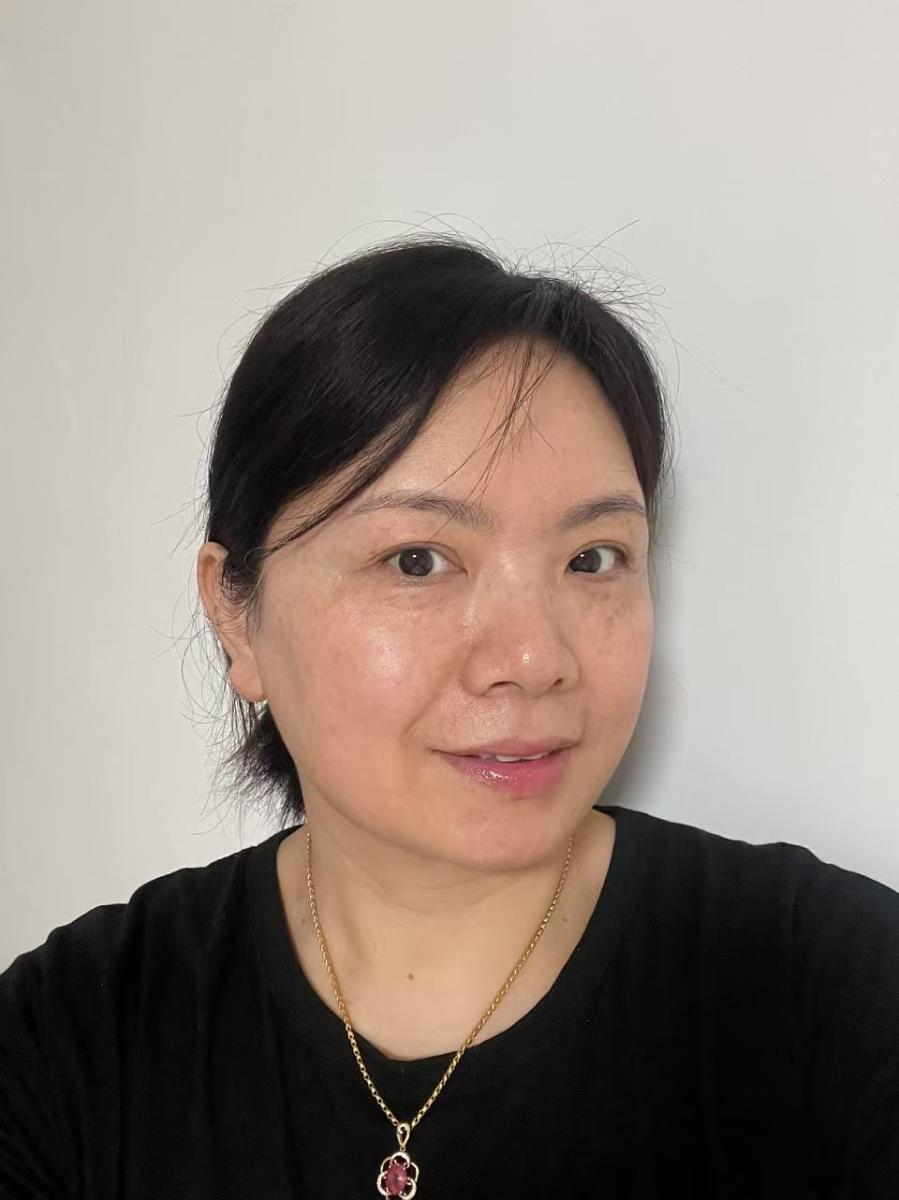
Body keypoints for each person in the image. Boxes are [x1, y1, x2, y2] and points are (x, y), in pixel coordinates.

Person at [1, 236, 897, 1199]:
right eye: (417, 560)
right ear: (235, 613)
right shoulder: (75, 1034)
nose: (533, 659)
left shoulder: (833, 987)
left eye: (592, 558)